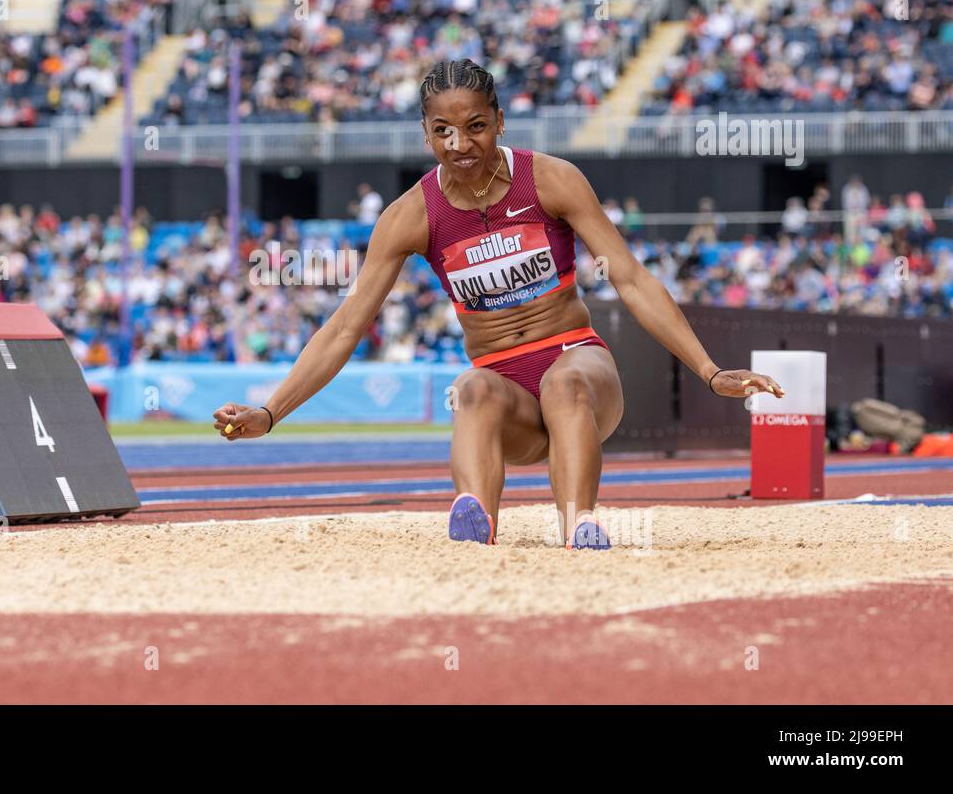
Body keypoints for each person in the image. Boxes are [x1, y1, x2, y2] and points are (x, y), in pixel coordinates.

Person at [212, 59, 783, 549]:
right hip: (504, 394)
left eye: (476, 127)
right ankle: (475, 520)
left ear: (500, 122)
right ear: (426, 134)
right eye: (444, 131)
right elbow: (344, 328)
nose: (461, 145)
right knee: (470, 388)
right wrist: (271, 412)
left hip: (576, 363)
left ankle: (578, 523)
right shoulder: (409, 216)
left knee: (565, 385)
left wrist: (708, 372)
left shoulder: (552, 180)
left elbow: (630, 279)